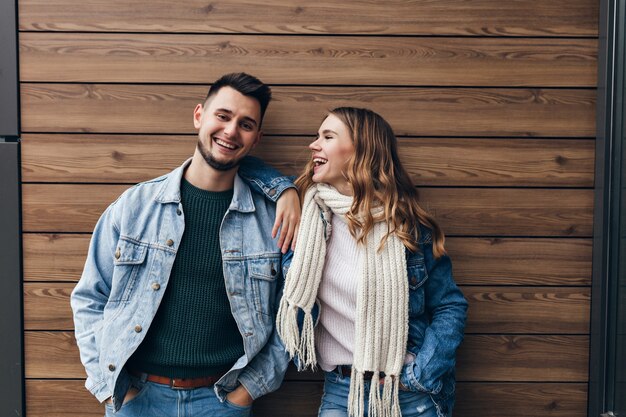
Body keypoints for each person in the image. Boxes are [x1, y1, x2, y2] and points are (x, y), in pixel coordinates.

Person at [71, 72, 300, 417]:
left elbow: (294, 312)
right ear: (199, 117)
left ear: (256, 139)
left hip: (222, 401)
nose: (230, 131)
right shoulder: (135, 206)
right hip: (137, 398)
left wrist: (250, 390)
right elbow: (90, 298)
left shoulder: (273, 221)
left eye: (246, 124)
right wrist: (111, 390)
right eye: (222, 116)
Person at [276, 107, 468, 417]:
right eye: (317, 136)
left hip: (405, 394)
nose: (314, 145)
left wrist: (420, 373)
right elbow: (239, 164)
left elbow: (450, 306)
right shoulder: (309, 217)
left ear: (360, 152)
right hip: (341, 391)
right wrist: (282, 190)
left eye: (327, 137)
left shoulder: (406, 227)